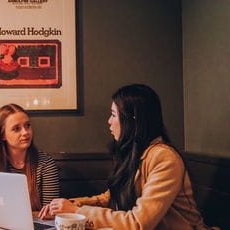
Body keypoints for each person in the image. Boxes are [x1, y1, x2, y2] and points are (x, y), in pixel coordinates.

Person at [39, 84, 208, 230]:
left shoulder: (164, 158)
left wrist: (77, 212)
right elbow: (111, 197)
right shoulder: (134, 152)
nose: (109, 121)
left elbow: (138, 223)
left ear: (132, 120)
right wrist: (68, 206)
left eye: (113, 115)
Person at [0, 103, 60, 215]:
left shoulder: (45, 163)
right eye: (16, 129)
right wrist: (0, 209)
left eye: (27, 125)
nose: (25, 132)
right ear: (3, 135)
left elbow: (50, 212)